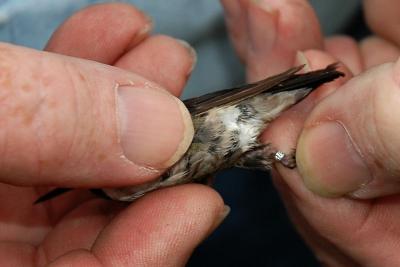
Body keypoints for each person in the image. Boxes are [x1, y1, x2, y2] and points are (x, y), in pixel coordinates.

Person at [0, 1, 399, 266]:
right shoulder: (124, 193)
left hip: (223, 116)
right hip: (239, 143)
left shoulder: (128, 173)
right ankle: (286, 153)